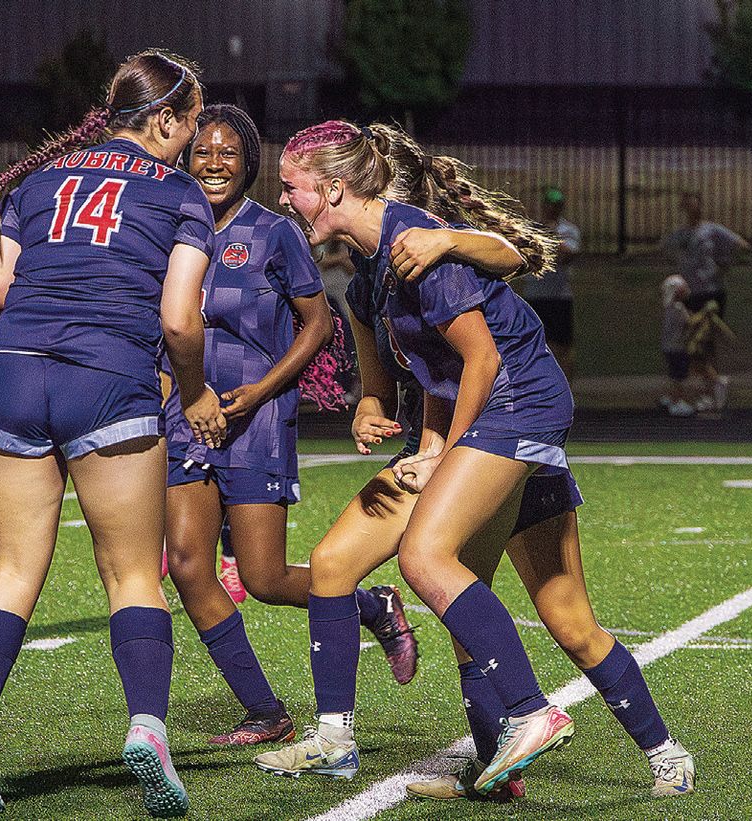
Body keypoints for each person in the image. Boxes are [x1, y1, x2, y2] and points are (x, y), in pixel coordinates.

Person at [256, 121, 694, 801]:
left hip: (515, 407)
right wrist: (401, 426)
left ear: (338, 186)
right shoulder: (371, 268)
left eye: (290, 186)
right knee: (449, 591)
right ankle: (482, 766)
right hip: (481, 420)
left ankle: (558, 721)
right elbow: (435, 371)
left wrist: (441, 452)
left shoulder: (418, 242)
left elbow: (483, 355)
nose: (282, 200)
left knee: (451, 570)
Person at [0, 51, 225, 818]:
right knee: (134, 573)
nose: (195, 138)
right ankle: (147, 729)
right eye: (192, 121)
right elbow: (178, 318)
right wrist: (192, 391)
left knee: (11, 569)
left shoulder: (40, 179)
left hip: (11, 370)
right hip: (107, 375)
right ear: (163, 118)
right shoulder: (181, 193)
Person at [162, 104, 419, 749]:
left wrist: (259, 393)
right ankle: (265, 710)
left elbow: (320, 324)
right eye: (203, 152)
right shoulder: (166, 227)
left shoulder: (274, 234)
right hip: (186, 418)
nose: (214, 164)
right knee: (191, 566)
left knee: (265, 580)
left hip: (256, 421)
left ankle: (371, 605)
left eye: (228, 154)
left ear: (246, 164)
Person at [662, 191, 747, 411]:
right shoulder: (681, 235)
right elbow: (664, 247)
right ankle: (704, 388)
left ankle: (712, 390)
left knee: (704, 343)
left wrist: (724, 264)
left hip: (711, 293)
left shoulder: (712, 230)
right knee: (690, 344)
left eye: (694, 205)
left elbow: (740, 244)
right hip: (691, 294)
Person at [521, 187, 579, 379]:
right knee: (533, 344)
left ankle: (567, 387)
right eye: (549, 205)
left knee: (563, 346)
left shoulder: (569, 231)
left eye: (556, 206)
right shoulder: (531, 229)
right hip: (535, 294)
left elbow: (569, 255)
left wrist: (551, 234)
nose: (551, 209)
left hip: (559, 295)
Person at [660, 275, 695, 416]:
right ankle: (677, 402)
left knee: (674, 374)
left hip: (668, 346)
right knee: (679, 377)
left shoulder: (669, 306)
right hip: (677, 347)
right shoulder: (678, 307)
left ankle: (670, 398)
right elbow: (689, 323)